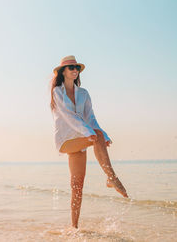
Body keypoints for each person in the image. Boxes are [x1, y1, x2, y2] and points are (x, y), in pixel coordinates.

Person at [50, 55, 128, 229]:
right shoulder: (57, 92)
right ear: (63, 71)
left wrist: (103, 137)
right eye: (71, 67)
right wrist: (91, 134)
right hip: (65, 140)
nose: (75, 70)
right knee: (96, 136)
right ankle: (112, 178)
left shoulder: (84, 93)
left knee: (77, 187)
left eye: (77, 67)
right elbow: (68, 117)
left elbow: (91, 118)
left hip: (82, 139)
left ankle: (74, 228)